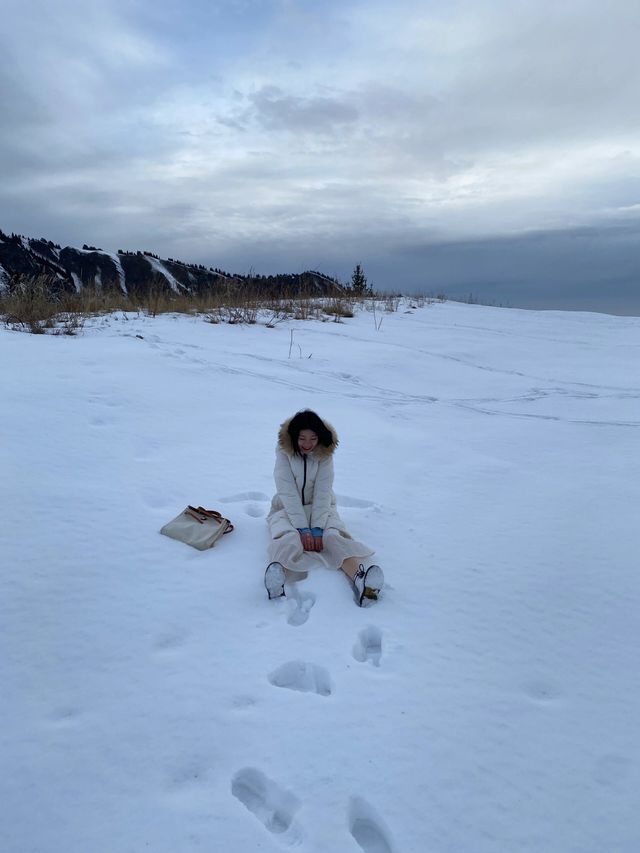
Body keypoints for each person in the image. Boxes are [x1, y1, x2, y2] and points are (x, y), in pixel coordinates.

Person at [264, 409, 384, 607]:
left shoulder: (325, 454)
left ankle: (362, 581)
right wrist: (303, 528)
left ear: (320, 437)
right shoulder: (284, 451)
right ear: (294, 437)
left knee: (333, 537)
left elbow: (323, 491)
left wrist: (317, 528)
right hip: (285, 506)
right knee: (289, 537)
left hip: (322, 506)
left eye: (313, 438)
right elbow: (287, 491)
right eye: (302, 438)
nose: (308, 444)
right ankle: (277, 581)